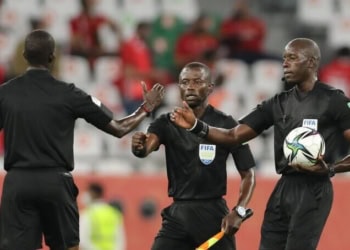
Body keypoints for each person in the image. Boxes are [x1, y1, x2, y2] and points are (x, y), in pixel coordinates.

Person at [171, 38, 350, 250]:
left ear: (311, 63)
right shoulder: (278, 103)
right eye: (284, 58)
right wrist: (196, 126)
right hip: (284, 186)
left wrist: (330, 168)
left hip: (315, 188)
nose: (285, 63)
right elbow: (233, 136)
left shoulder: (334, 100)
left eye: (292, 58)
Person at [0, 29, 164, 250]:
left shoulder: (6, 93)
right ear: (53, 57)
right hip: (55, 182)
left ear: (24, 56)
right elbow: (118, 128)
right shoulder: (69, 93)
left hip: (18, 182)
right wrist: (146, 108)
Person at [131, 62, 256, 250]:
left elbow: (248, 174)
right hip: (178, 215)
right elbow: (144, 149)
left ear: (210, 87)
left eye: (197, 81)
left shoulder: (227, 124)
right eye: (185, 82)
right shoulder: (166, 122)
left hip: (214, 216)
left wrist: (238, 211)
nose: (190, 86)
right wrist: (138, 146)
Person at [80, 182, 126, 250]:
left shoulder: (87, 214)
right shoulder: (114, 213)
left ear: (93, 193)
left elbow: (82, 240)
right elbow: (120, 240)